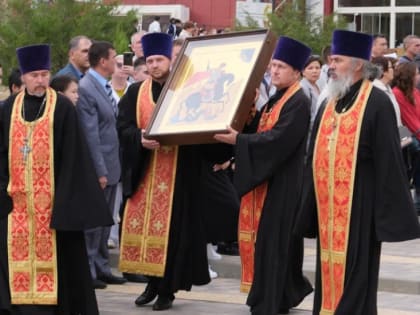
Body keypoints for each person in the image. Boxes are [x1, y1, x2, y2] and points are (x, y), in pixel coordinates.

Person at [297, 30, 420, 315]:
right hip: (330, 209)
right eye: (331, 59)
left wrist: (385, 215)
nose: (331, 65)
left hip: (360, 206)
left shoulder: (377, 103)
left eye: (337, 60)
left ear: (357, 65)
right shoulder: (329, 103)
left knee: (356, 274)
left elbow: (390, 161)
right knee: (328, 270)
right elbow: (313, 155)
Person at [117, 32, 231, 311]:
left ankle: (168, 290)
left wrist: (223, 152)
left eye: (160, 60)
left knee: (174, 235)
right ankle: (152, 283)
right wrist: (140, 139)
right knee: (144, 234)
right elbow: (123, 128)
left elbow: (204, 127)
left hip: (180, 176)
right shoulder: (135, 92)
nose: (155, 65)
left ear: (171, 61)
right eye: (151, 60)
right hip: (146, 175)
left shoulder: (187, 90)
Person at [0, 44, 113, 315]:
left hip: (53, 205)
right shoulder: (9, 109)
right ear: (23, 77)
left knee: (62, 265)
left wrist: (64, 201)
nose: (40, 80)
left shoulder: (61, 107)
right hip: (16, 206)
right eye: (34, 75)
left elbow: (75, 156)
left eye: (44, 74)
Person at [214, 36, 314, 315]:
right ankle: (277, 294)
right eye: (273, 66)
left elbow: (279, 140)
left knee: (277, 243)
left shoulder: (299, 101)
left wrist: (239, 142)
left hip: (284, 185)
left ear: (296, 71)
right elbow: (261, 130)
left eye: (281, 66)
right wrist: (248, 119)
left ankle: (271, 300)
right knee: (270, 243)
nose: (275, 71)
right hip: (269, 182)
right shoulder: (276, 97)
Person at [77, 41, 127, 289]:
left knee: (107, 220)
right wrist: (99, 170)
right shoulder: (86, 87)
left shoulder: (103, 85)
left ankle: (102, 266)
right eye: (114, 59)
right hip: (100, 166)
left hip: (112, 162)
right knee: (94, 221)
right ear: (103, 61)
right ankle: (89, 268)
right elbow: (90, 134)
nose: (117, 63)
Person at [371, 56, 401, 127]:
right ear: (383, 71)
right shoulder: (375, 91)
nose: (393, 70)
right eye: (391, 67)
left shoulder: (388, 88)